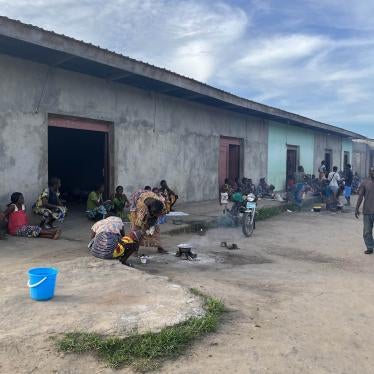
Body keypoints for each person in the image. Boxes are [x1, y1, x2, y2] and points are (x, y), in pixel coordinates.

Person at [355, 167, 374, 254]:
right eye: (372, 171)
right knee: (367, 231)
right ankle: (370, 247)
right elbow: (360, 197)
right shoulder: (365, 183)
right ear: (369, 172)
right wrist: (356, 208)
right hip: (367, 211)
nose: (373, 172)